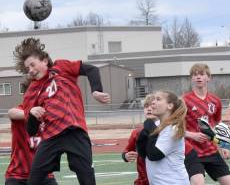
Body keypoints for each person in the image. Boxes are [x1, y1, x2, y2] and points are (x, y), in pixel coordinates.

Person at [13, 37, 111, 185]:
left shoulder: (61, 68)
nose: (31, 70)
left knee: (87, 179)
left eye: (33, 65)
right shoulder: (31, 92)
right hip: (51, 137)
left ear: (45, 60)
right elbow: (31, 131)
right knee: (34, 180)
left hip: (75, 131)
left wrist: (96, 91)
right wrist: (33, 113)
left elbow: (91, 69)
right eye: (28, 69)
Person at [183, 63, 230, 185]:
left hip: (211, 151)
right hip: (192, 152)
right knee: (197, 183)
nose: (198, 77)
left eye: (201, 74)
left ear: (208, 77)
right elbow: (173, 127)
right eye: (195, 75)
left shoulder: (215, 101)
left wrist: (223, 146)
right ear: (192, 78)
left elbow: (217, 125)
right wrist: (192, 135)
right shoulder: (184, 101)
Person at [5, 79, 57, 185]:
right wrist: (30, 113)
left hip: (44, 175)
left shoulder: (49, 113)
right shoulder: (20, 110)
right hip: (18, 176)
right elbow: (11, 113)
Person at [137, 90, 189, 185]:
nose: (153, 102)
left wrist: (150, 126)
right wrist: (143, 136)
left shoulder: (173, 129)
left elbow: (154, 155)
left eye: (158, 99)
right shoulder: (157, 126)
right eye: (154, 99)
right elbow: (143, 153)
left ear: (169, 106)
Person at [122, 94, 156, 185]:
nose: (149, 109)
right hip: (143, 181)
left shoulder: (167, 130)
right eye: (146, 106)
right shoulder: (137, 132)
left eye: (152, 106)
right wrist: (126, 156)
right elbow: (127, 151)